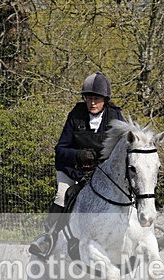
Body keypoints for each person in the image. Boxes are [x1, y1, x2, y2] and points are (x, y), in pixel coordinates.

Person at [29, 71, 125, 257]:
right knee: (61, 195)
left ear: (105, 99)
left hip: (102, 173)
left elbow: (124, 149)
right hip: (73, 171)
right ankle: (47, 238)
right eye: (89, 98)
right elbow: (60, 150)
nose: (92, 103)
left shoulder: (115, 117)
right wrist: (78, 155)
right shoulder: (76, 115)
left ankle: (146, 231)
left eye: (96, 98)